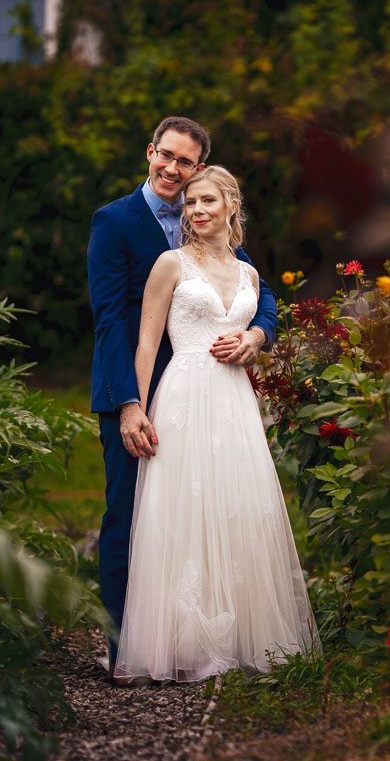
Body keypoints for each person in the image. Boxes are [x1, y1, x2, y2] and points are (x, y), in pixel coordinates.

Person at [87, 117, 277, 678]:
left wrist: (256, 335)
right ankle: (124, 642)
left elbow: (260, 298)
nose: (172, 170)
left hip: (214, 394)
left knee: (209, 510)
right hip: (136, 387)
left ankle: (196, 634)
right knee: (129, 514)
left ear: (201, 171)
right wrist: (129, 403)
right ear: (150, 153)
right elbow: (110, 322)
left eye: (185, 162)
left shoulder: (211, 220)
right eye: (164, 157)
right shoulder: (115, 221)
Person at [112, 166, 316, 684]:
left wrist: (254, 338)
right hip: (183, 393)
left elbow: (261, 317)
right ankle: (178, 641)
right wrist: (133, 407)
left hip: (234, 400)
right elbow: (146, 343)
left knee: (237, 506)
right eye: (190, 204)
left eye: (207, 201)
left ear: (230, 205)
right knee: (183, 508)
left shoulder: (248, 275)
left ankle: (240, 636)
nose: (197, 210)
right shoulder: (170, 263)